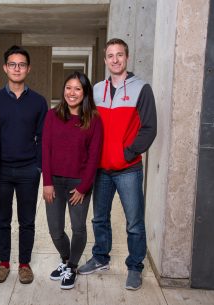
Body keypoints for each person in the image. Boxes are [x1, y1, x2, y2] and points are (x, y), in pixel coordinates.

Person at [78, 38, 157, 291]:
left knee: (134, 222)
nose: (115, 59)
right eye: (110, 55)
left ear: (127, 57)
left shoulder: (141, 88)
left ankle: (135, 267)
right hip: (100, 169)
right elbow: (88, 125)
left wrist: (127, 153)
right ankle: (101, 257)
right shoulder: (97, 89)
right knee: (99, 218)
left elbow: (149, 128)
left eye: (119, 55)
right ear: (105, 60)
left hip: (128, 169)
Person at [0, 45, 48, 284]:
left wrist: (38, 166)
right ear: (5, 68)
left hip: (28, 171)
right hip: (1, 170)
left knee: (27, 221)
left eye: (21, 64)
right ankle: (4, 262)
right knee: (1, 220)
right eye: (12, 64)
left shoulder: (38, 101)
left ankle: (24, 264)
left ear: (28, 68)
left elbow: (43, 138)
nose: (17, 68)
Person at [42, 72, 103, 290]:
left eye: (77, 88)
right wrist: (47, 182)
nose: (72, 93)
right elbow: (45, 150)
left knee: (78, 228)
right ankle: (66, 259)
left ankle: (73, 266)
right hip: (55, 183)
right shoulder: (51, 116)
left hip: (79, 183)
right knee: (55, 230)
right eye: (68, 87)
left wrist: (84, 187)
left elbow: (94, 157)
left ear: (85, 93)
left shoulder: (93, 120)